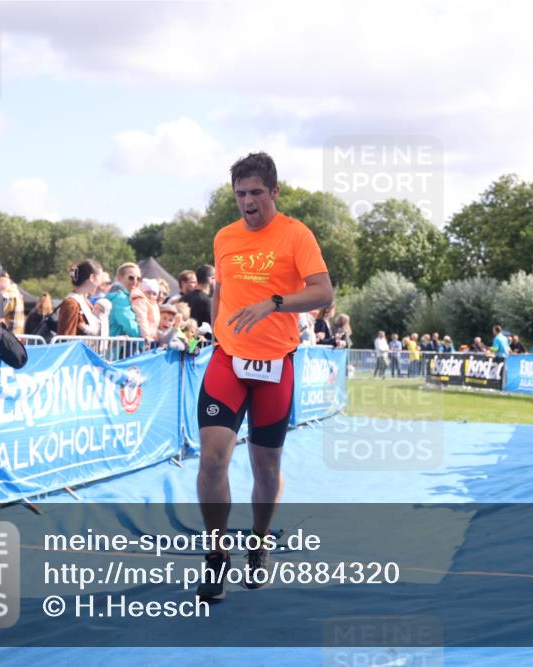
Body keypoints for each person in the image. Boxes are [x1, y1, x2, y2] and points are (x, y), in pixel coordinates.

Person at [196, 152, 334, 600]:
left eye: (256, 192)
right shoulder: (224, 237)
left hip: (276, 363)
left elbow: (323, 292)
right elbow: (221, 289)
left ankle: (257, 542)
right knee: (213, 458)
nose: (247, 201)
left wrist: (274, 303)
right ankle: (217, 556)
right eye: (240, 194)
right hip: (228, 359)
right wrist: (218, 329)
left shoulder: (296, 235)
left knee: (265, 465)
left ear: (274, 192)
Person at [57, 260, 104, 337]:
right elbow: (67, 337)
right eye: (100, 278)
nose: (101, 284)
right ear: (92, 278)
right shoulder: (71, 303)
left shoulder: (85, 302)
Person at [107, 263, 143, 338]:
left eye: (139, 279)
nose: (135, 282)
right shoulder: (120, 298)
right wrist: (146, 340)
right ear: (119, 278)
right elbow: (129, 325)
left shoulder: (128, 297)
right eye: (131, 278)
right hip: (117, 348)